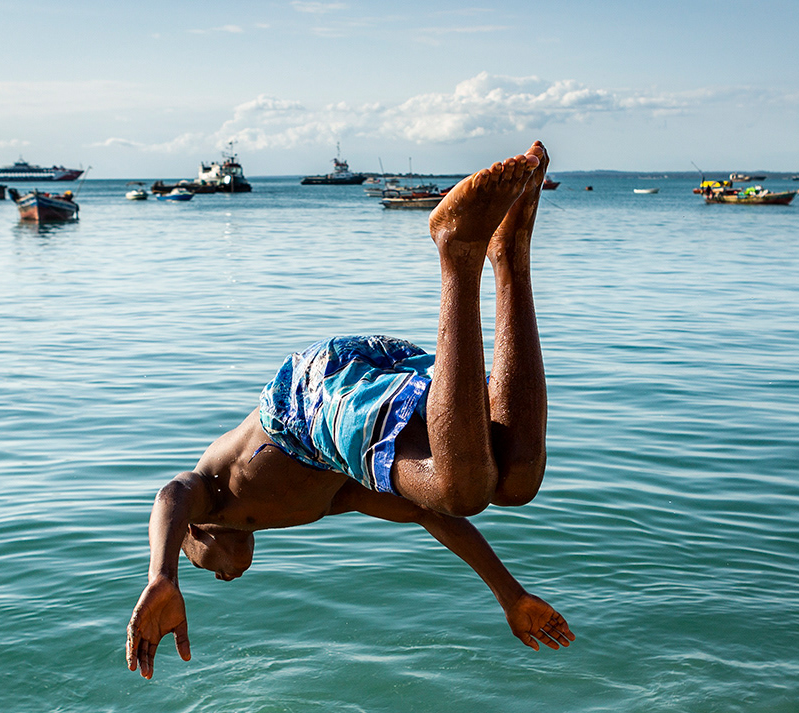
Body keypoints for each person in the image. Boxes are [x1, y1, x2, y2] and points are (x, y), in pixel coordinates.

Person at [126, 142, 574, 677]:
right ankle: (510, 251)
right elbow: (429, 514)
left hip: (305, 401)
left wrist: (163, 576)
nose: (224, 579)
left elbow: (171, 493)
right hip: (350, 398)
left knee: (462, 491)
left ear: (194, 539)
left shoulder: (212, 501)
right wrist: (511, 595)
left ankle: (457, 253)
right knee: (510, 480)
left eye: (206, 571)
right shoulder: (322, 501)